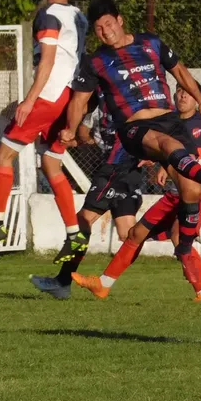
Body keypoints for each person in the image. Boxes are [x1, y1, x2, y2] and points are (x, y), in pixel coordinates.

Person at [58, 0, 201, 282]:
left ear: (120, 20)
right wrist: (71, 127)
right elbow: (79, 101)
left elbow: (180, 72)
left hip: (168, 121)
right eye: (98, 29)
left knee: (190, 191)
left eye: (108, 24)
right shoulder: (96, 62)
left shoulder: (150, 43)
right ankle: (63, 278)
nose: (105, 32)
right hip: (132, 131)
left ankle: (186, 251)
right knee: (90, 214)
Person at [72, 80, 201, 301]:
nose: (182, 96)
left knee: (178, 235)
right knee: (135, 234)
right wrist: (153, 162)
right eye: (178, 91)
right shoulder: (163, 121)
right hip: (173, 195)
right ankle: (103, 285)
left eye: (187, 92)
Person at [0, 0, 89, 264]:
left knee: (3, 155)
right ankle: (75, 236)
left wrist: (30, 99)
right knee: (51, 164)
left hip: (49, 95)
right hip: (69, 96)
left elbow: (47, 61)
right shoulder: (79, 16)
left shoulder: (48, 14)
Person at [29, 58, 147, 299]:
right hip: (125, 168)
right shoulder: (99, 97)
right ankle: (170, 229)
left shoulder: (134, 96)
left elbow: (150, 125)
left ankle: (62, 282)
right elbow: (86, 129)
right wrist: (73, 136)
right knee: (127, 234)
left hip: (118, 166)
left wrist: (150, 151)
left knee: (83, 220)